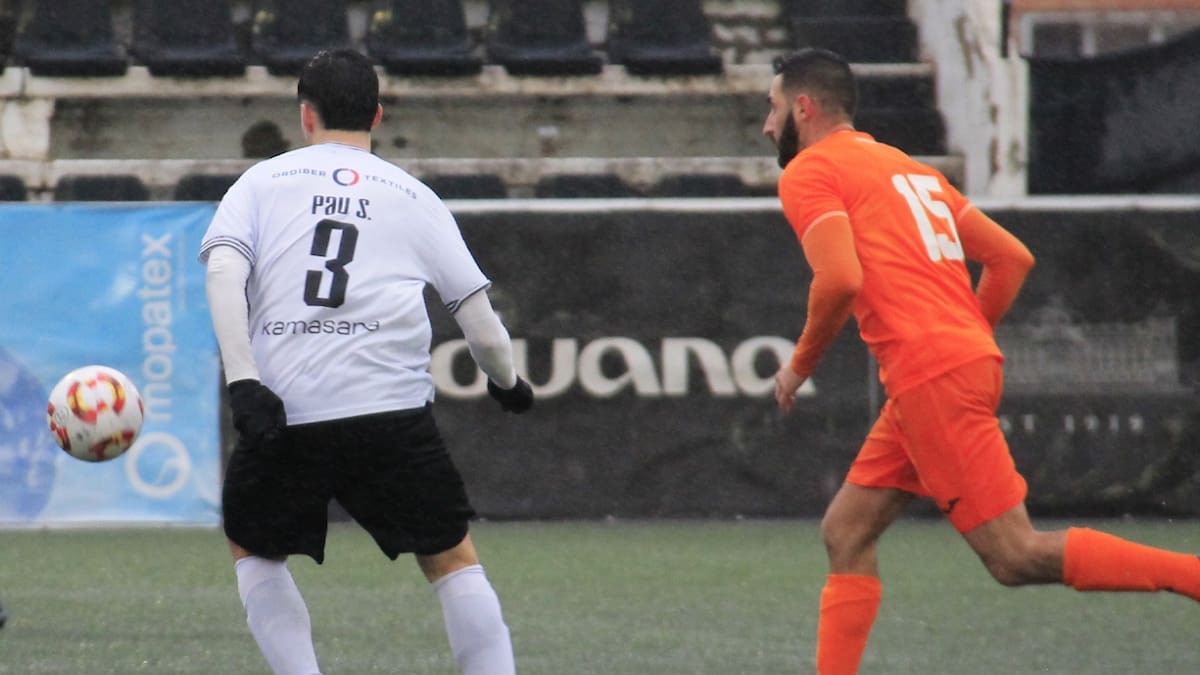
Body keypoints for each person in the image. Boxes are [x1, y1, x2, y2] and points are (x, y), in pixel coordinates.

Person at [762, 47, 1200, 674]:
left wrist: (799, 366)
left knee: (1015, 556)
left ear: (803, 108)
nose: (767, 125)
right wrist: (963, 331)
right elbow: (1011, 258)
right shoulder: (910, 171)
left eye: (773, 107)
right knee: (846, 530)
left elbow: (837, 280)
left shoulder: (808, 172)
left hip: (930, 375)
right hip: (947, 366)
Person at [199, 48, 532, 675]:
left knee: (255, 549)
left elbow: (223, 271)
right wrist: (508, 384)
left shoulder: (260, 183)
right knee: (451, 559)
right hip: (392, 416)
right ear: (377, 115)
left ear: (306, 116)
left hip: (287, 412)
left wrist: (244, 382)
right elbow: (482, 327)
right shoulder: (414, 195)